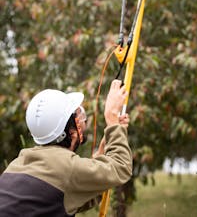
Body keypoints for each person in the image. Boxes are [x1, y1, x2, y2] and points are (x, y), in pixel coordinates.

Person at [0, 79, 132, 216]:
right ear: (71, 132)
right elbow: (121, 166)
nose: (83, 120)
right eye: (78, 116)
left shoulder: (17, 164)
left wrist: (112, 134)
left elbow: (74, 197)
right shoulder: (66, 168)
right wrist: (111, 118)